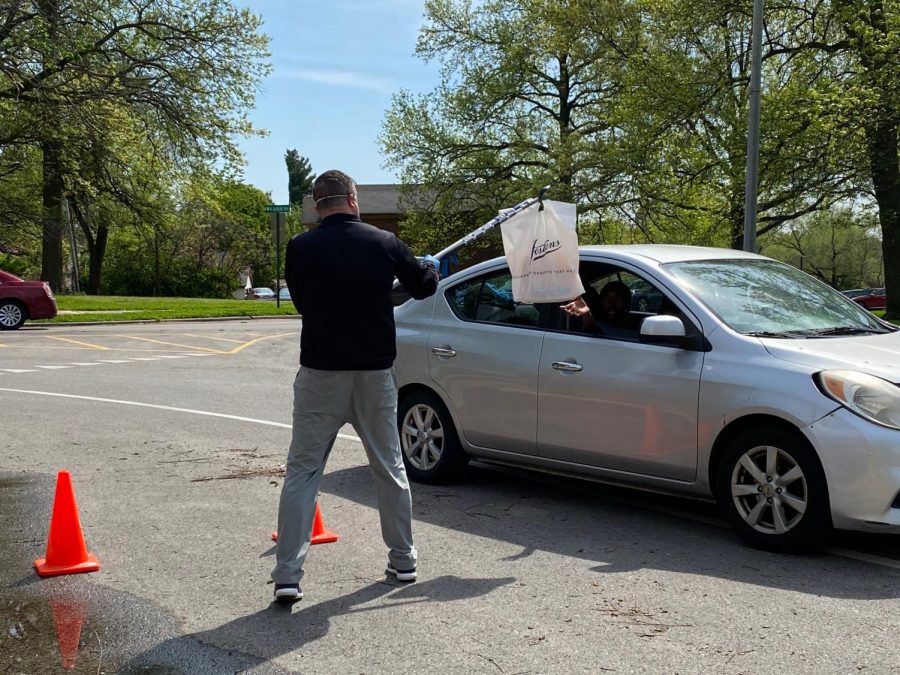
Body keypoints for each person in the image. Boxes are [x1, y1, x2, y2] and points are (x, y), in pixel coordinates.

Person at [272, 170, 440, 603]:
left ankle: (288, 573)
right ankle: (403, 560)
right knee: (389, 467)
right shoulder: (383, 242)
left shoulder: (300, 247)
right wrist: (428, 268)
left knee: (303, 472)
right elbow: (422, 287)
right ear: (352, 198)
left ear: (317, 203)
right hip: (373, 375)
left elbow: (302, 303)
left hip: (320, 374)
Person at [560, 280, 635, 337]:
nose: (611, 303)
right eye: (606, 299)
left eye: (618, 299)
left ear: (627, 302)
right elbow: (592, 328)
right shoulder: (599, 327)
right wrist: (586, 313)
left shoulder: (634, 328)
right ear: (601, 302)